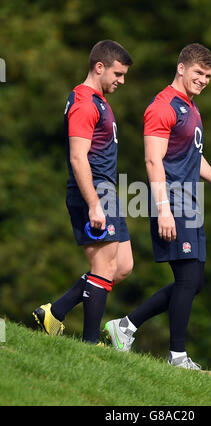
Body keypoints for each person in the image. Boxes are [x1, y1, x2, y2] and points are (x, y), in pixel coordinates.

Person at [104, 43, 211, 368]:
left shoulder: (192, 108)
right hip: (171, 202)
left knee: (194, 282)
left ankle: (124, 327)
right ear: (181, 68)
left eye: (208, 75)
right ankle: (177, 356)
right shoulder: (162, 106)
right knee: (186, 278)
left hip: (191, 203)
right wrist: (163, 208)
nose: (204, 80)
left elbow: (194, 158)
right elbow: (153, 161)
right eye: (199, 72)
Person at [33, 40, 134, 345]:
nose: (122, 80)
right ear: (99, 67)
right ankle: (91, 345)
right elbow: (79, 157)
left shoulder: (99, 99)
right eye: (117, 73)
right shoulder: (84, 101)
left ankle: (55, 311)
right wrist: (94, 204)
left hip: (107, 190)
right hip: (92, 192)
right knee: (103, 267)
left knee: (123, 266)